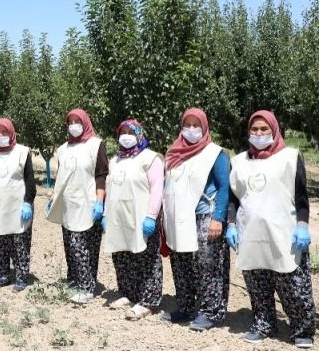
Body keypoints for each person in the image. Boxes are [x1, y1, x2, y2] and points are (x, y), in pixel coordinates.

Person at [226, 110, 315, 348]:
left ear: (274, 130)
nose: (259, 133)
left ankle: (302, 329)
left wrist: (303, 226)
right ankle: (264, 323)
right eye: (254, 129)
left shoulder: (289, 156)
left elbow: (301, 196)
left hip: (284, 233)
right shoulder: (238, 162)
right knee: (257, 282)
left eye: (264, 129)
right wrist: (231, 225)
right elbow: (233, 199)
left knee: (293, 283)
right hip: (251, 234)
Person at [162, 108, 230, 331]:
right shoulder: (174, 153)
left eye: (196, 125)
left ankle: (210, 311)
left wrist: (218, 218)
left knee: (207, 264)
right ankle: (186, 306)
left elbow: (223, 187)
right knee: (181, 262)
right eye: (187, 125)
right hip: (179, 217)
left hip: (204, 216)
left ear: (205, 127)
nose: (191, 129)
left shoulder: (215, 153)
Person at [103, 119, 163, 320]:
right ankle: (128, 293)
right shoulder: (115, 160)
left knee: (146, 259)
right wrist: (105, 215)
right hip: (119, 219)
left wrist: (151, 216)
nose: (126, 136)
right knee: (122, 257)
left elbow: (156, 189)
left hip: (141, 218)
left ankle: (148, 301)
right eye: (122, 132)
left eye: (130, 131)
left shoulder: (150, 158)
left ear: (139, 134)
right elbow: (110, 189)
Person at [46, 109, 108, 304]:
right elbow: (62, 176)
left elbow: (101, 175)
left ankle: (87, 287)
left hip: (88, 203)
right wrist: (53, 197)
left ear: (85, 122)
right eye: (70, 121)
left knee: (84, 246)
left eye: (77, 121)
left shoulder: (96, 145)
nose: (73, 125)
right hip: (68, 204)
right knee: (70, 245)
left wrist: (100, 202)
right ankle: (74, 280)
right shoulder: (63, 149)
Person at [0, 118, 37, 292]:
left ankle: (21, 276)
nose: (1, 136)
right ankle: (3, 274)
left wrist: (28, 202)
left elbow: (29, 179)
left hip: (17, 205)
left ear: (11, 133)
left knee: (20, 241)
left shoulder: (22, 152)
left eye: (4, 133)